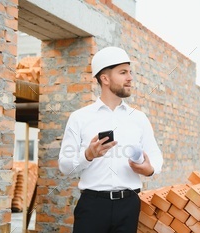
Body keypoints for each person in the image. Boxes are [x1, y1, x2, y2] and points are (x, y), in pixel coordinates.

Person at [59, 46, 163, 233]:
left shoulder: (138, 118)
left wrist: (150, 169)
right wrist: (88, 155)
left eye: (130, 72)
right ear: (105, 79)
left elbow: (155, 156)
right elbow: (65, 166)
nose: (130, 77)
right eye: (123, 72)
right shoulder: (79, 118)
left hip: (129, 207)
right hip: (92, 208)